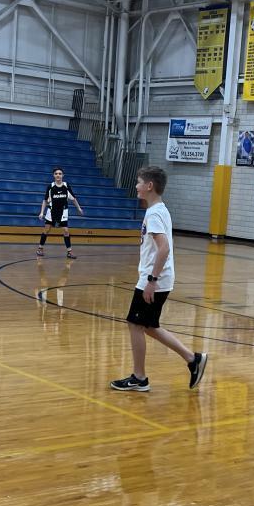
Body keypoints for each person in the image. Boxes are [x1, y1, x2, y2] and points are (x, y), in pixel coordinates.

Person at [110, 165, 208, 393]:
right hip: (159, 278)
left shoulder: (154, 213)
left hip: (154, 279)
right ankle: (193, 359)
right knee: (148, 326)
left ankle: (139, 377)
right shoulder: (160, 209)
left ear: (149, 186)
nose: (136, 186)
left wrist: (151, 281)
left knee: (135, 324)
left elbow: (163, 248)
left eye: (139, 182)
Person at [38, 167, 85, 259]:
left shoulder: (66, 186)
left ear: (63, 175)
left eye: (60, 173)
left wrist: (79, 208)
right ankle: (40, 249)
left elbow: (73, 199)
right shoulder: (50, 186)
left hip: (63, 211)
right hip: (51, 211)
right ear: (53, 175)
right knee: (46, 230)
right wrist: (41, 212)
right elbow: (45, 200)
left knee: (66, 231)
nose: (58, 175)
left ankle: (69, 252)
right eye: (56, 173)